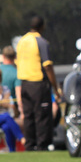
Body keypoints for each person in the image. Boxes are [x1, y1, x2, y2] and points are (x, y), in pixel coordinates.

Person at [15, 16, 62, 151]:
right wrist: (55, 87)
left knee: (28, 115)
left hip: (24, 83)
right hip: (38, 83)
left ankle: (29, 145)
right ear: (43, 26)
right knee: (42, 115)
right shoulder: (41, 42)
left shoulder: (22, 41)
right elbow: (47, 66)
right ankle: (42, 145)